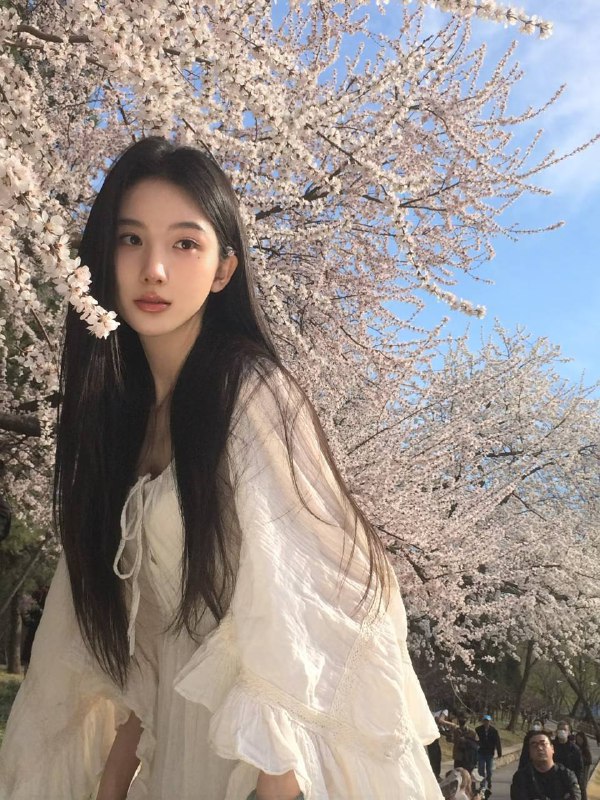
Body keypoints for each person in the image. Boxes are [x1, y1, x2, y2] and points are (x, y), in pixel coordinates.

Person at [0, 137, 443, 799]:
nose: (153, 269)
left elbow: (300, 627)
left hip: (252, 769)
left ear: (223, 269)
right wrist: (112, 782)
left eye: (184, 243)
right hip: (178, 754)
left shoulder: (250, 394)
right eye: (130, 240)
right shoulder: (124, 418)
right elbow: (150, 642)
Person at [510, 730, 581, 800]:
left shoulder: (566, 775)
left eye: (543, 744)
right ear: (529, 752)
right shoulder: (521, 777)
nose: (539, 748)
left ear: (552, 748)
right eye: (534, 745)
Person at [554, 720, 585, 798]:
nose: (562, 731)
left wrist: (576, 786)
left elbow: (579, 769)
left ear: (569, 732)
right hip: (552, 783)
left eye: (564, 729)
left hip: (568, 785)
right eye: (560, 729)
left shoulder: (575, 749)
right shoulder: (551, 746)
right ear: (557, 731)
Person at [476, 714, 502, 790]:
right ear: (483, 721)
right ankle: (482, 785)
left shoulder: (494, 731)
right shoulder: (478, 729)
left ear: (490, 721)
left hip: (489, 753)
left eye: (487, 721)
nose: (486, 722)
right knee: (481, 769)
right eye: (485, 721)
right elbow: (475, 740)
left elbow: (498, 742)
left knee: (489, 770)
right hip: (481, 752)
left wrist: (499, 753)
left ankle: (489, 780)